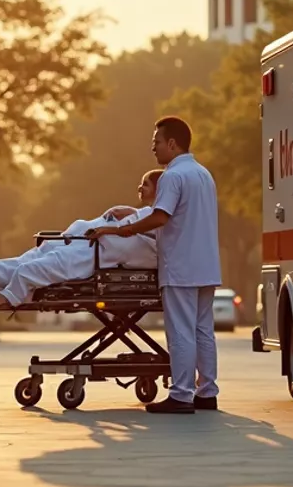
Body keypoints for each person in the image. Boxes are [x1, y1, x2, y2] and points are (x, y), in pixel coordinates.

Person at [90, 116, 220, 414]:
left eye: (157, 143)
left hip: (181, 267)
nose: (154, 149)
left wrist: (124, 228)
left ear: (172, 144)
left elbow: (161, 217)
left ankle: (182, 395)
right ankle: (207, 391)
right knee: (203, 331)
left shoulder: (173, 176)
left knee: (181, 332)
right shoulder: (203, 174)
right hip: (206, 265)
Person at [0, 169, 163, 313]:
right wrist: (129, 212)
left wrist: (110, 229)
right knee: (26, 259)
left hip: (94, 253)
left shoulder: (157, 224)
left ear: (159, 189)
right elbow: (138, 224)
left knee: (31, 268)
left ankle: (10, 297)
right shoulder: (145, 213)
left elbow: (133, 244)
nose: (140, 187)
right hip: (80, 241)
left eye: (146, 184)